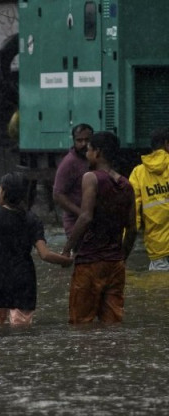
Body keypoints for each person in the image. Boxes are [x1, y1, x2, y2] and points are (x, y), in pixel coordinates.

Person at [60, 131, 136, 324]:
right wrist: (121, 257)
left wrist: (67, 248)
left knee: (80, 324)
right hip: (115, 264)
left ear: (98, 153)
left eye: (89, 149)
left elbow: (85, 217)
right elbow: (132, 229)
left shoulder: (91, 178)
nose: (87, 154)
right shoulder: (127, 185)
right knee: (112, 325)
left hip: (89, 263)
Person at [0, 172, 72, 326]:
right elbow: (45, 254)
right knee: (22, 330)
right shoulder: (32, 220)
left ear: (3, 192)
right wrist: (67, 260)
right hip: (24, 281)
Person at [128, 127, 169, 271]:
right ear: (167, 144)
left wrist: (123, 247)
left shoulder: (138, 173)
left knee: (160, 290)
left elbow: (133, 216)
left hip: (158, 249)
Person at [53, 123, 94, 238]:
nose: (83, 144)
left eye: (87, 140)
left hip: (94, 223)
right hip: (75, 224)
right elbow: (57, 195)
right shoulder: (69, 163)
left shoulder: (94, 159)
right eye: (79, 140)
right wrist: (82, 214)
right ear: (74, 141)